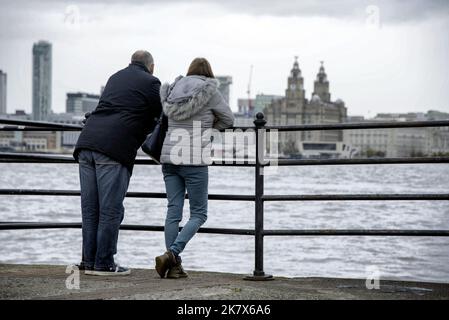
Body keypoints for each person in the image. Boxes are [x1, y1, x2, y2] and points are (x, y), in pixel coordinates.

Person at [73, 50, 162, 276]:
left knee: (90, 208)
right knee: (111, 210)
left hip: (87, 143)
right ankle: (103, 263)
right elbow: (161, 114)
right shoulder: (152, 82)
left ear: (131, 62)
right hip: (113, 148)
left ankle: (88, 261)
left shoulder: (114, 77)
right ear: (151, 66)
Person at [155, 57, 234, 279]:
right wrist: (208, 129)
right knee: (199, 213)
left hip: (169, 158)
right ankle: (172, 254)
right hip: (194, 159)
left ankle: (173, 268)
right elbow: (229, 119)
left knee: (173, 211)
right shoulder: (210, 91)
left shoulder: (172, 91)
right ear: (208, 73)